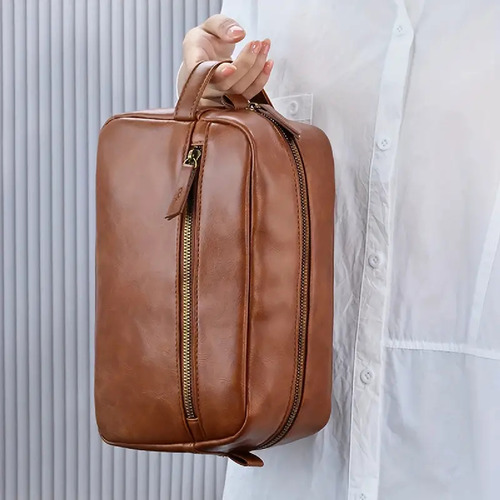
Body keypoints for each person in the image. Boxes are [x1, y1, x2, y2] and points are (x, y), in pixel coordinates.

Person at [179, 2, 500, 499]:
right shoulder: (267, 9)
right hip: (287, 476)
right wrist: (202, 116)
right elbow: (214, 227)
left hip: (463, 464)